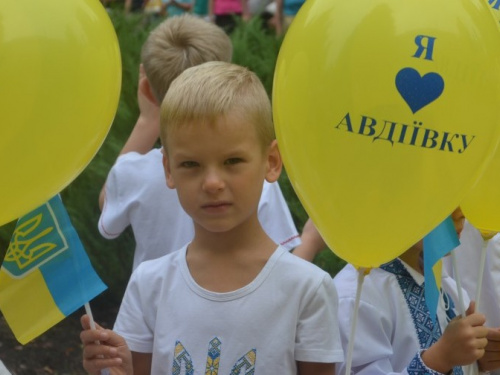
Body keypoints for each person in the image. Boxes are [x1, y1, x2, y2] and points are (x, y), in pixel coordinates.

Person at [81, 61, 344, 374]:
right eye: (191, 164)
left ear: (271, 161)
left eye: (232, 160)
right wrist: (116, 369)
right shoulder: (150, 284)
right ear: (168, 170)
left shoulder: (307, 290)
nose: (212, 183)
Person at [98, 15, 301, 271]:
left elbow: (108, 200)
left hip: (155, 309)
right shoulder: (252, 173)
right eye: (191, 165)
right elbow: (280, 261)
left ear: (148, 90)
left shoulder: (133, 173)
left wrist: (147, 120)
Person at [333, 207, 500, 374]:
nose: (460, 213)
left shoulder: (442, 280)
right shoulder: (356, 297)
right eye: (445, 198)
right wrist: (441, 358)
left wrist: (474, 362)